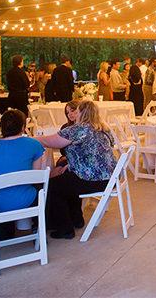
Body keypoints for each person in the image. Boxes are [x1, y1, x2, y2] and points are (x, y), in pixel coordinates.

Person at [37, 100, 116, 239]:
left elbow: (48, 142)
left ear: (82, 113)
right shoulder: (102, 127)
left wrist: (29, 139)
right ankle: (76, 219)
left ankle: (65, 229)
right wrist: (72, 165)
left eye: (76, 111)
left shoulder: (79, 129)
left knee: (53, 186)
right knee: (69, 177)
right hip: (109, 178)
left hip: (93, 178)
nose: (73, 114)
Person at [0, 110, 44, 240]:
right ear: (23, 127)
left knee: (0, 191)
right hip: (21, 200)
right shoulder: (33, 144)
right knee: (41, 188)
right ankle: (37, 228)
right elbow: (36, 176)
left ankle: (4, 231)